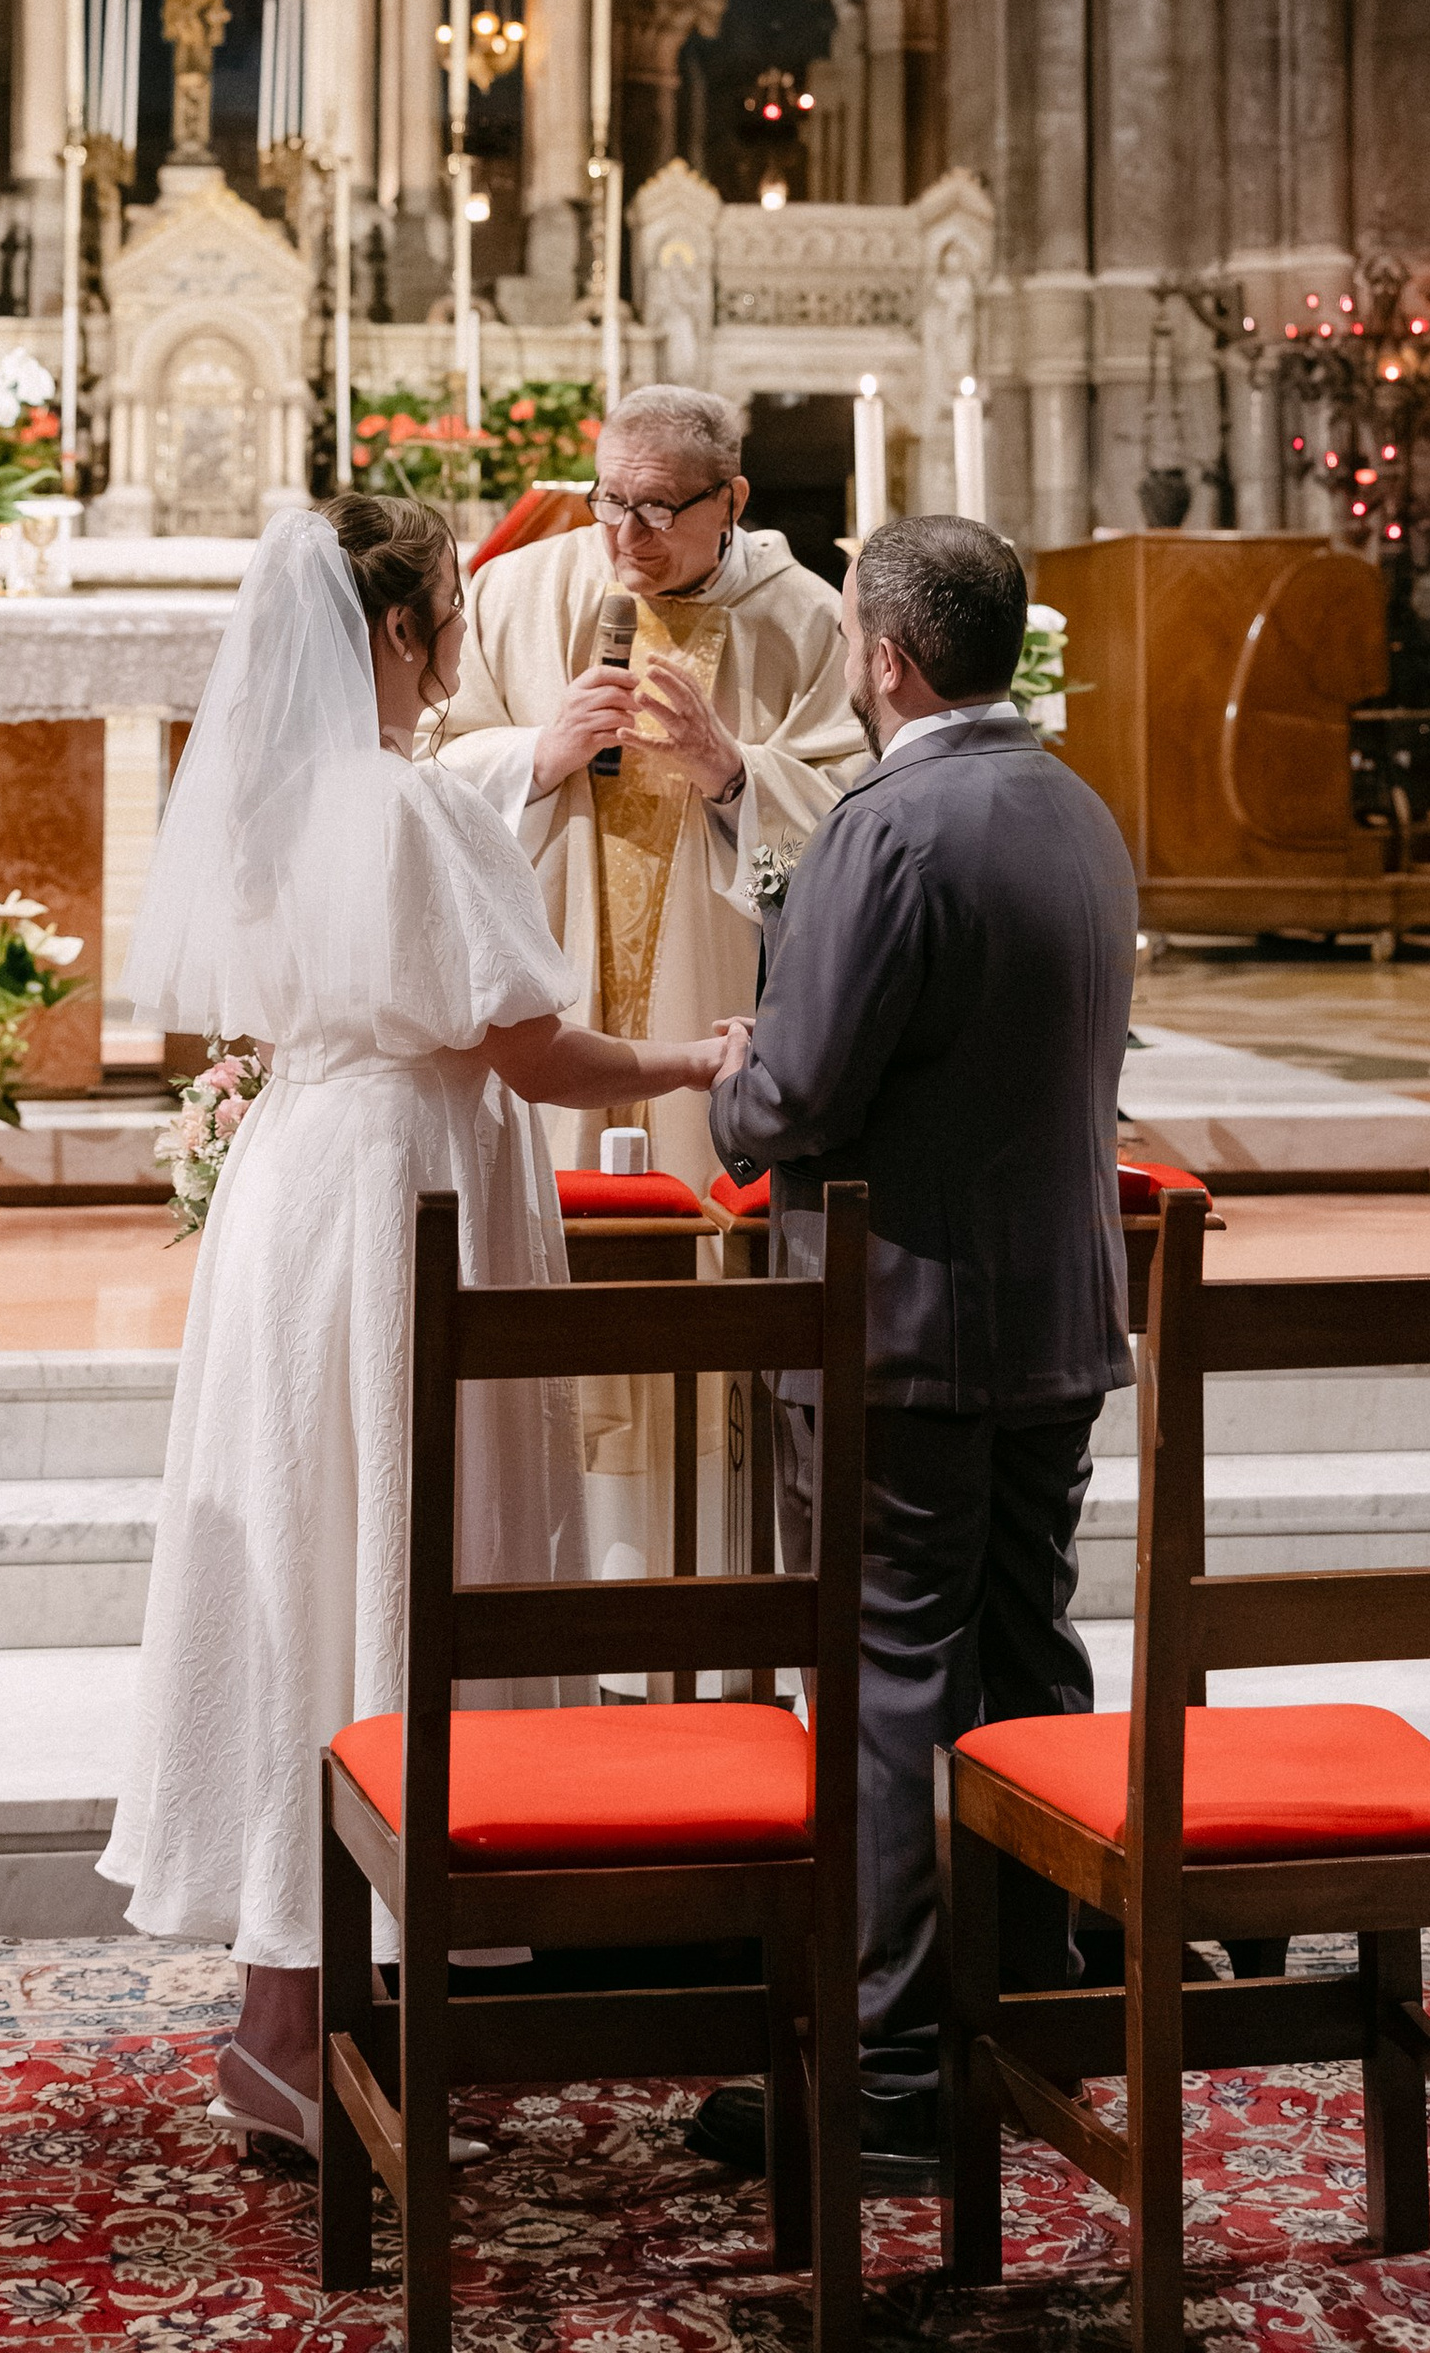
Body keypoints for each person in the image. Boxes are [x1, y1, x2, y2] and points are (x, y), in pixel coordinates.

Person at [99, 497, 734, 2156]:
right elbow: (530, 1051)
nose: (462, 643)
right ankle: (318, 2016)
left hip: (296, 1186)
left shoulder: (265, 802)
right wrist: (687, 1067)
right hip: (408, 1194)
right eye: (451, 615)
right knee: (390, 1542)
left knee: (311, 1556)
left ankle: (291, 2016)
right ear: (399, 637)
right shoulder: (400, 807)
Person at [690, 512, 1139, 2183]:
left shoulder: (892, 825)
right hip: (1061, 1313)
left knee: (889, 1686)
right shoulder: (1077, 809)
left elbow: (801, 1094)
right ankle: (1039, 2004)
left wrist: (740, 1073)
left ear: (884, 656)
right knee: (1029, 1657)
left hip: (908, 1324)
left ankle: (884, 2084)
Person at [437, 383, 860, 1566]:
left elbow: (858, 820)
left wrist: (738, 777)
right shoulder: (520, 593)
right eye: (607, 501)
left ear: (731, 499)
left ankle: (699, 1603)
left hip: (710, 1015)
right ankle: (555, 1586)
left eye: (658, 509)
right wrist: (534, 752)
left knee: (702, 1291)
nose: (624, 536)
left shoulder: (806, 621)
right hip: (547, 1011)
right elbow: (422, 768)